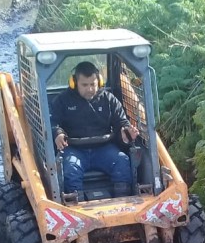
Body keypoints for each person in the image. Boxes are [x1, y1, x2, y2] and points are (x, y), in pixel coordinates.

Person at [51, 61, 140, 200]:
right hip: (74, 149)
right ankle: (77, 205)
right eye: (84, 85)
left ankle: (123, 201)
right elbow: (54, 123)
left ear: (100, 81)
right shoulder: (62, 101)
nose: (90, 89)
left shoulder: (109, 99)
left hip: (104, 148)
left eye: (93, 84)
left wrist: (126, 132)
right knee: (70, 170)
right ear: (74, 83)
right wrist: (58, 134)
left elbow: (121, 122)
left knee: (122, 161)